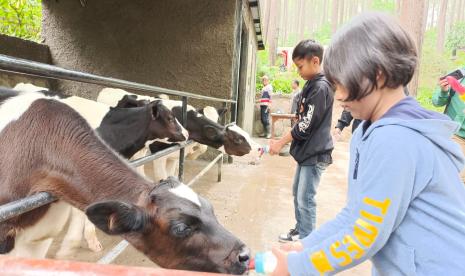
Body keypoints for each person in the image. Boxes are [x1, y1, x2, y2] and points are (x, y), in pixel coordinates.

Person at [269, 13, 465, 276]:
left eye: (342, 85)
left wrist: (298, 268)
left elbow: (364, 236)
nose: (338, 96)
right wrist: (306, 246)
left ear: (378, 75)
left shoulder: (396, 140)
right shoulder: (369, 129)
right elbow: (354, 214)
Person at [269, 39, 334, 243]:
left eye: (300, 66)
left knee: (305, 198)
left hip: (315, 153)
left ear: (315, 61)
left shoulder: (321, 87)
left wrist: (280, 142)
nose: (298, 71)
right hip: (307, 152)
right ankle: (301, 230)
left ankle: (308, 242)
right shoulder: (311, 85)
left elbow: (305, 125)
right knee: (298, 194)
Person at [432, 66, 465, 182]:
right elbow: (436, 102)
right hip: (456, 135)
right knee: (457, 177)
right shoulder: (458, 76)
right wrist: (443, 91)